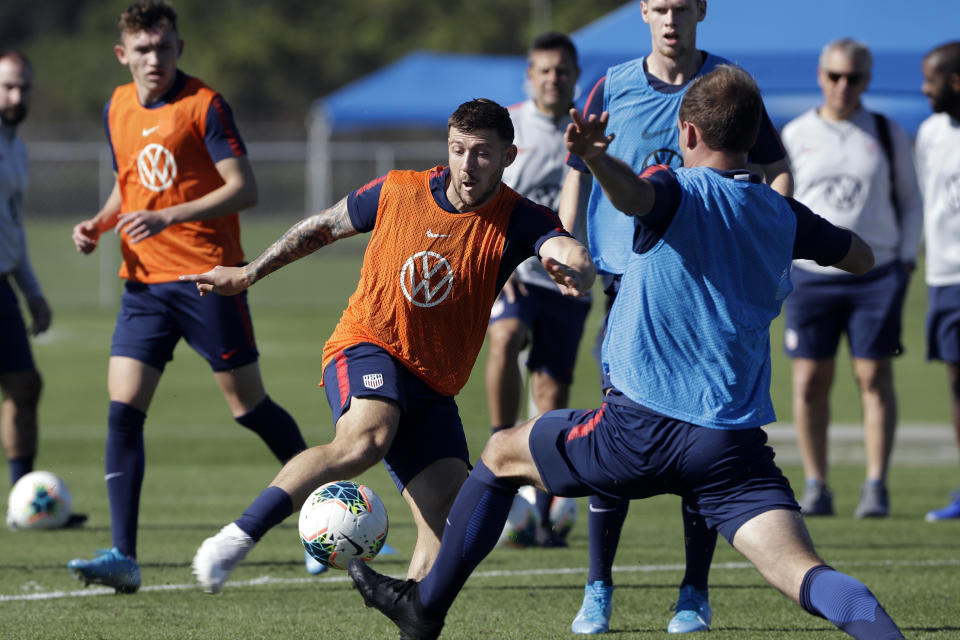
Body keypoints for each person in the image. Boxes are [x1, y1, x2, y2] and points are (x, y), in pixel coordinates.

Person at [348, 64, 906, 640]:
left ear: (687, 134)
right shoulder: (781, 214)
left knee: (500, 454)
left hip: (639, 430)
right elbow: (860, 256)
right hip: (728, 447)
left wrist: (595, 159)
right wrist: (833, 246)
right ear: (753, 137)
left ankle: (424, 609)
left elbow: (637, 195)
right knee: (806, 574)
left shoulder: (674, 186)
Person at [183, 98, 595, 594]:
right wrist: (248, 272)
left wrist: (575, 264)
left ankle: (411, 612)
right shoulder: (399, 190)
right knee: (365, 440)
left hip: (435, 382)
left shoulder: (519, 218)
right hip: (367, 343)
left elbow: (563, 244)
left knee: (452, 519)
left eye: (482, 153)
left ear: (509, 157)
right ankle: (237, 536)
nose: (467, 164)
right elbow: (321, 227)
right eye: (459, 149)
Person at [556, 0, 793, 633]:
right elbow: (582, 170)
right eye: (659, 6)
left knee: (705, 429)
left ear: (701, 11)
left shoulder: (725, 87)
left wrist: (764, 237)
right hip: (626, 282)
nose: (669, 18)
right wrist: (565, 240)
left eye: (680, 7)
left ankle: (694, 591)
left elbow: (777, 169)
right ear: (642, 11)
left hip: (707, 288)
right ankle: (597, 586)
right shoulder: (612, 84)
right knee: (615, 431)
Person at [66, 1, 308, 593]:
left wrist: (169, 214)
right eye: (143, 50)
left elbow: (243, 188)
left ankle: (324, 513)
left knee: (248, 407)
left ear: (180, 48)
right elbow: (131, 186)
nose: (155, 59)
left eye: (164, 47)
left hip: (208, 278)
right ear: (123, 54)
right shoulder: (116, 107)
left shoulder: (204, 104)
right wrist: (99, 224)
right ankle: (123, 555)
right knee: (123, 410)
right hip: (144, 285)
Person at [781, 38, 922, 519]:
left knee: (874, 376)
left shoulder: (885, 131)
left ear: (868, 79)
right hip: (810, 275)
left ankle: (876, 484)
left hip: (876, 273)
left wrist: (905, 259)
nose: (844, 86)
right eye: (835, 76)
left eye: (855, 77)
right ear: (821, 76)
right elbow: (780, 204)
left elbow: (911, 199)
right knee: (808, 381)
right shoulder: (796, 133)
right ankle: (816, 484)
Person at [485, 31, 590, 546]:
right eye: (544, 70)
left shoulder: (587, 131)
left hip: (568, 279)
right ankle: (498, 446)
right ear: (531, 76)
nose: (553, 78)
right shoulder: (510, 127)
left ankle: (544, 497)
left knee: (551, 392)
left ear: (574, 75)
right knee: (503, 338)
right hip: (515, 270)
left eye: (562, 70)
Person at [0, 50, 89, 529]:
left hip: (3, 284)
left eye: (22, 87)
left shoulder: (15, 148)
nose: (16, 95)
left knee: (24, 384)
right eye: (7, 86)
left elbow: (10, 228)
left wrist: (31, 291)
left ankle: (24, 503)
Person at [917, 41, 960, 522]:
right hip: (946, 278)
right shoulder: (930, 133)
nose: (924, 89)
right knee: (956, 385)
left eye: (931, 79)